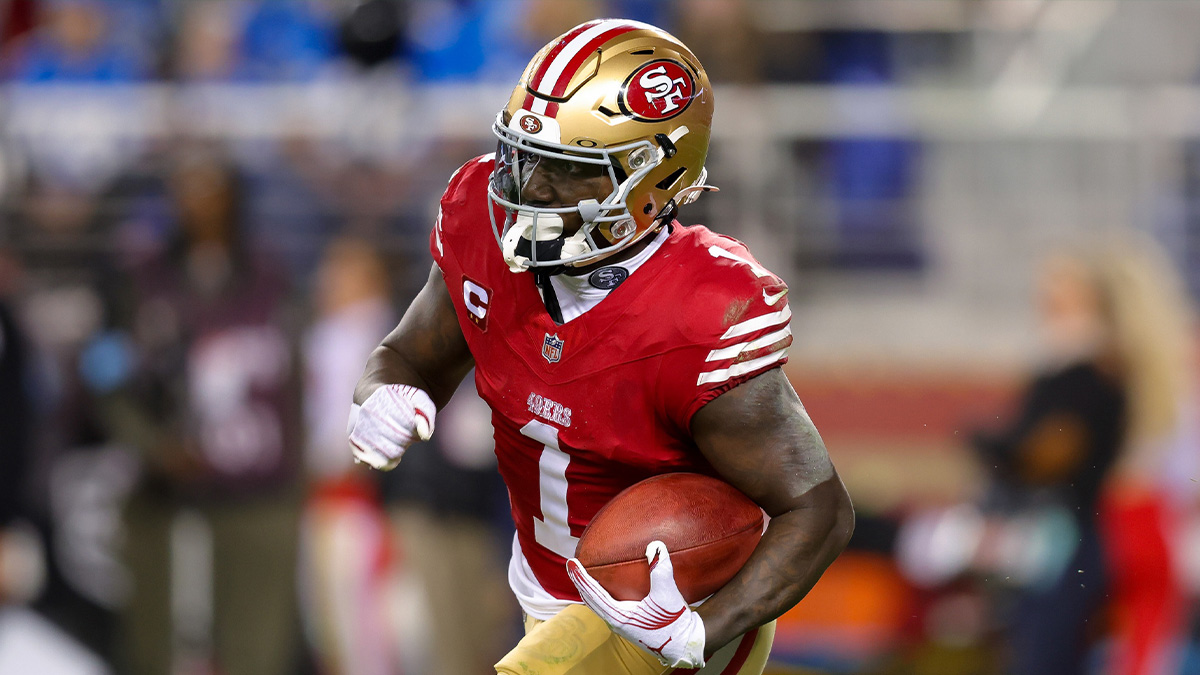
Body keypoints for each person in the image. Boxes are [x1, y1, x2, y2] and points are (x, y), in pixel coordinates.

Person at [348, 18, 855, 675]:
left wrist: (702, 628)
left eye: (566, 169)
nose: (531, 190)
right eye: (525, 158)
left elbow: (820, 509)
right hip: (543, 590)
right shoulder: (481, 219)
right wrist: (383, 391)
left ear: (652, 179)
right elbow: (411, 354)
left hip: (663, 607)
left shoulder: (699, 310)